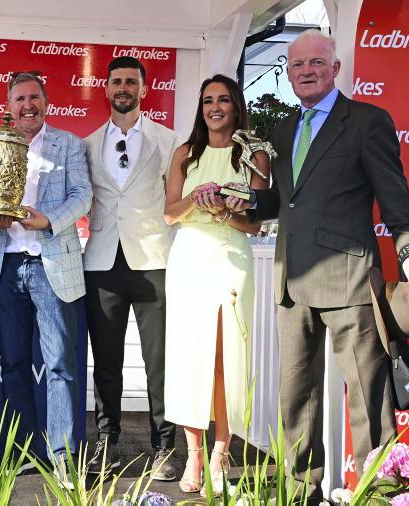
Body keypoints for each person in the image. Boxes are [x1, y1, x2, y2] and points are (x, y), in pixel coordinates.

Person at [226, 30, 409, 503]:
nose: (306, 71)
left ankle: (379, 493)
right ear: (288, 73)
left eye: (316, 62)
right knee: (295, 398)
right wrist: (246, 201)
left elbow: (396, 198)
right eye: (297, 65)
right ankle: (301, 492)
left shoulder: (366, 121)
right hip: (291, 283)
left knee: (368, 399)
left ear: (335, 68)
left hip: (349, 281)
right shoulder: (283, 130)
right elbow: (285, 201)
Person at [0, 71, 92, 487]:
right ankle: (24, 451)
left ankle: (62, 456)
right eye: (19, 99)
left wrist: (49, 220)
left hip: (51, 266)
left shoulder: (70, 144)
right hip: (6, 266)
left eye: (34, 98)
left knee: (60, 364)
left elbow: (83, 195)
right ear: (9, 106)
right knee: (12, 364)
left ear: (46, 103)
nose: (27, 105)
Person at [163, 74, 270, 495]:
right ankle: (193, 454)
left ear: (236, 106)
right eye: (208, 100)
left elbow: (257, 223)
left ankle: (221, 453)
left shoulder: (255, 155)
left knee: (226, 359)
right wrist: (197, 198)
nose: (215, 107)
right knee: (191, 359)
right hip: (189, 260)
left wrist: (226, 212)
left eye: (223, 100)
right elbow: (170, 213)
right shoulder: (185, 153)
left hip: (231, 260)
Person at [82, 56, 180, 480]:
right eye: (116, 81)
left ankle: (165, 446)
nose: (123, 87)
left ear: (144, 89)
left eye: (131, 82)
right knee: (106, 362)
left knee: (160, 362)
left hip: (155, 261)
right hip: (102, 262)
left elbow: (178, 202)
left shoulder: (169, 140)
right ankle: (107, 445)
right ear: (106, 89)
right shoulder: (86, 145)